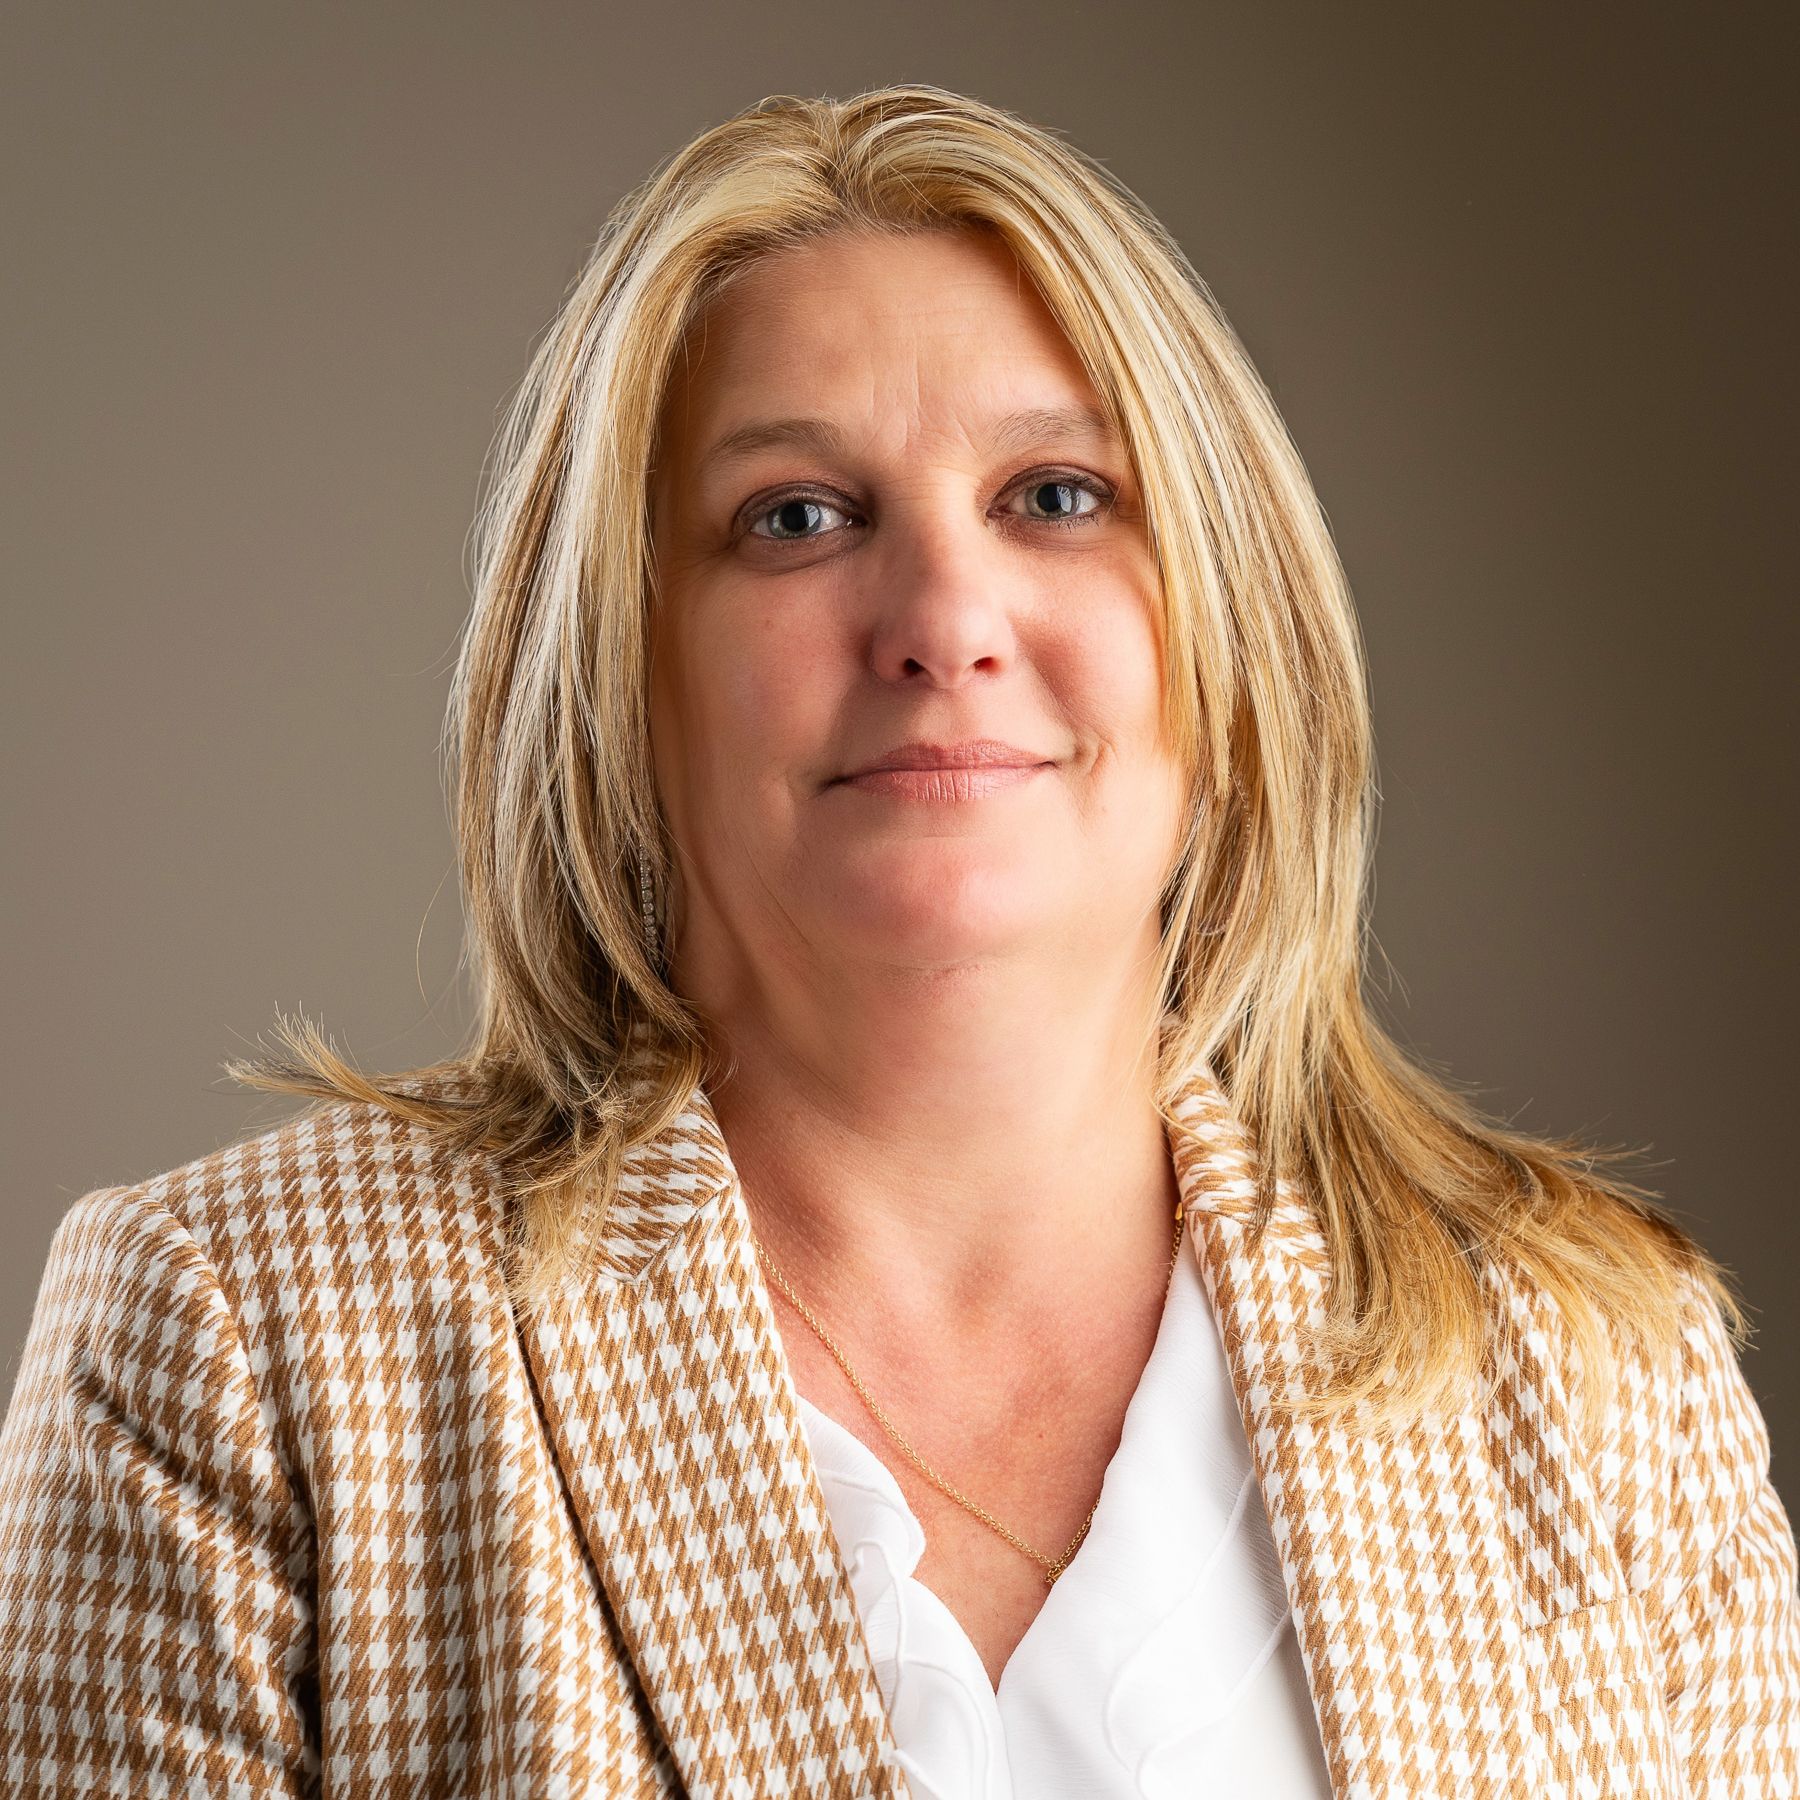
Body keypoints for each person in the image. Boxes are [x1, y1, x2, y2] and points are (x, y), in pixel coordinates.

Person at [1, 82, 1795, 1799]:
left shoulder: (1599, 1375)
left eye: (1057, 496)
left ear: (1231, 626)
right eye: (797, 519)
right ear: (623, 666)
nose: (945, 618)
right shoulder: (244, 1346)